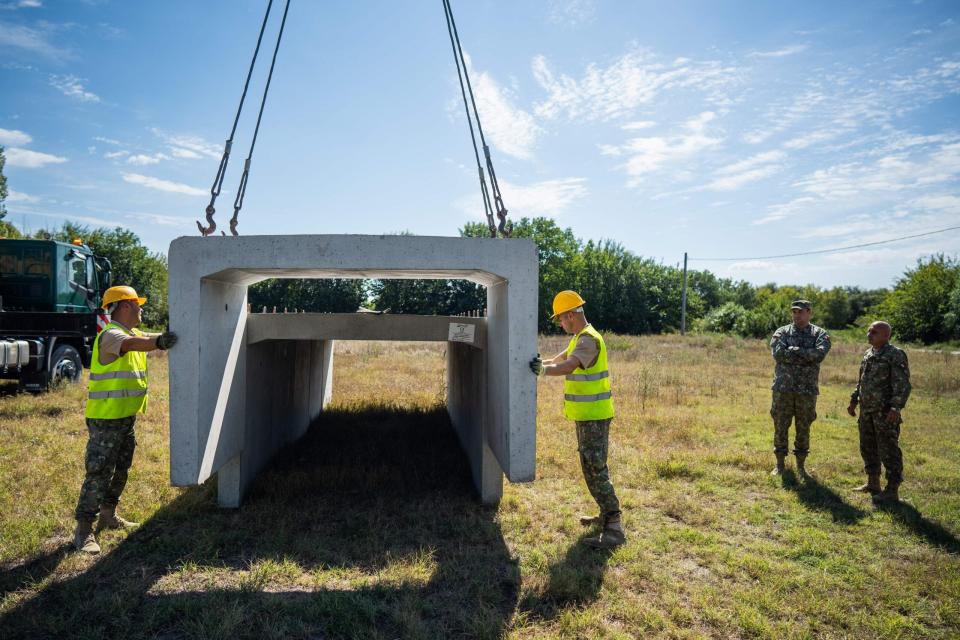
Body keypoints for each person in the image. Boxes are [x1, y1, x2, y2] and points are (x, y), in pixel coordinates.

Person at [72, 286, 178, 554]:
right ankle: (84, 529)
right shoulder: (111, 335)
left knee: (121, 469)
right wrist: (160, 342)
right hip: (106, 418)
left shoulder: (132, 333)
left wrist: (168, 336)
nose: (141, 309)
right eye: (137, 304)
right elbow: (134, 344)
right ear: (125, 305)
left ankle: (108, 515)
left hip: (124, 418)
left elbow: (148, 338)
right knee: (98, 473)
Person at [529, 290, 625, 549]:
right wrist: (540, 362)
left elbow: (568, 365)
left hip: (594, 416)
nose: (560, 323)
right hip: (586, 416)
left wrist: (543, 371)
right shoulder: (578, 338)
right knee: (590, 466)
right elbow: (559, 358)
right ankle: (605, 515)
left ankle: (614, 526)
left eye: (560, 319)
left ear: (571, 315)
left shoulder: (588, 340)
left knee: (595, 468)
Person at [847, 321, 911, 503]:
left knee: (889, 450)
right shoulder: (868, 354)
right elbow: (862, 381)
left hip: (885, 412)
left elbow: (903, 384)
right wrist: (853, 401)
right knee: (868, 447)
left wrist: (896, 408)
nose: (869, 334)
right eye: (869, 330)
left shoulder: (895, 354)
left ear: (886, 336)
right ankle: (873, 482)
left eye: (874, 332)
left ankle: (892, 489)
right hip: (866, 411)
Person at [768, 299, 831, 477]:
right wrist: (805, 354)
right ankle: (779, 465)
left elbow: (819, 354)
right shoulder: (782, 332)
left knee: (803, 427)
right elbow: (778, 354)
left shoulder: (820, 333)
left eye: (800, 312)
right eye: (794, 312)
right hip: (783, 389)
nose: (797, 315)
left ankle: (801, 466)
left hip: (807, 391)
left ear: (809, 312)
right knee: (780, 425)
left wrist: (793, 351)